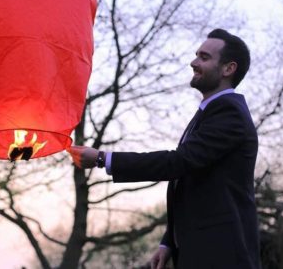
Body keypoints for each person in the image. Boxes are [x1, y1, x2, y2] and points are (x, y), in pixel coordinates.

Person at [68, 29, 261, 269]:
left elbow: (177, 163)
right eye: (196, 56)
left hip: (222, 256)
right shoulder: (210, 113)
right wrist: (169, 242)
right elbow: (193, 183)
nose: (194, 62)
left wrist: (102, 159)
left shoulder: (229, 114)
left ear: (228, 69)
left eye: (204, 57)